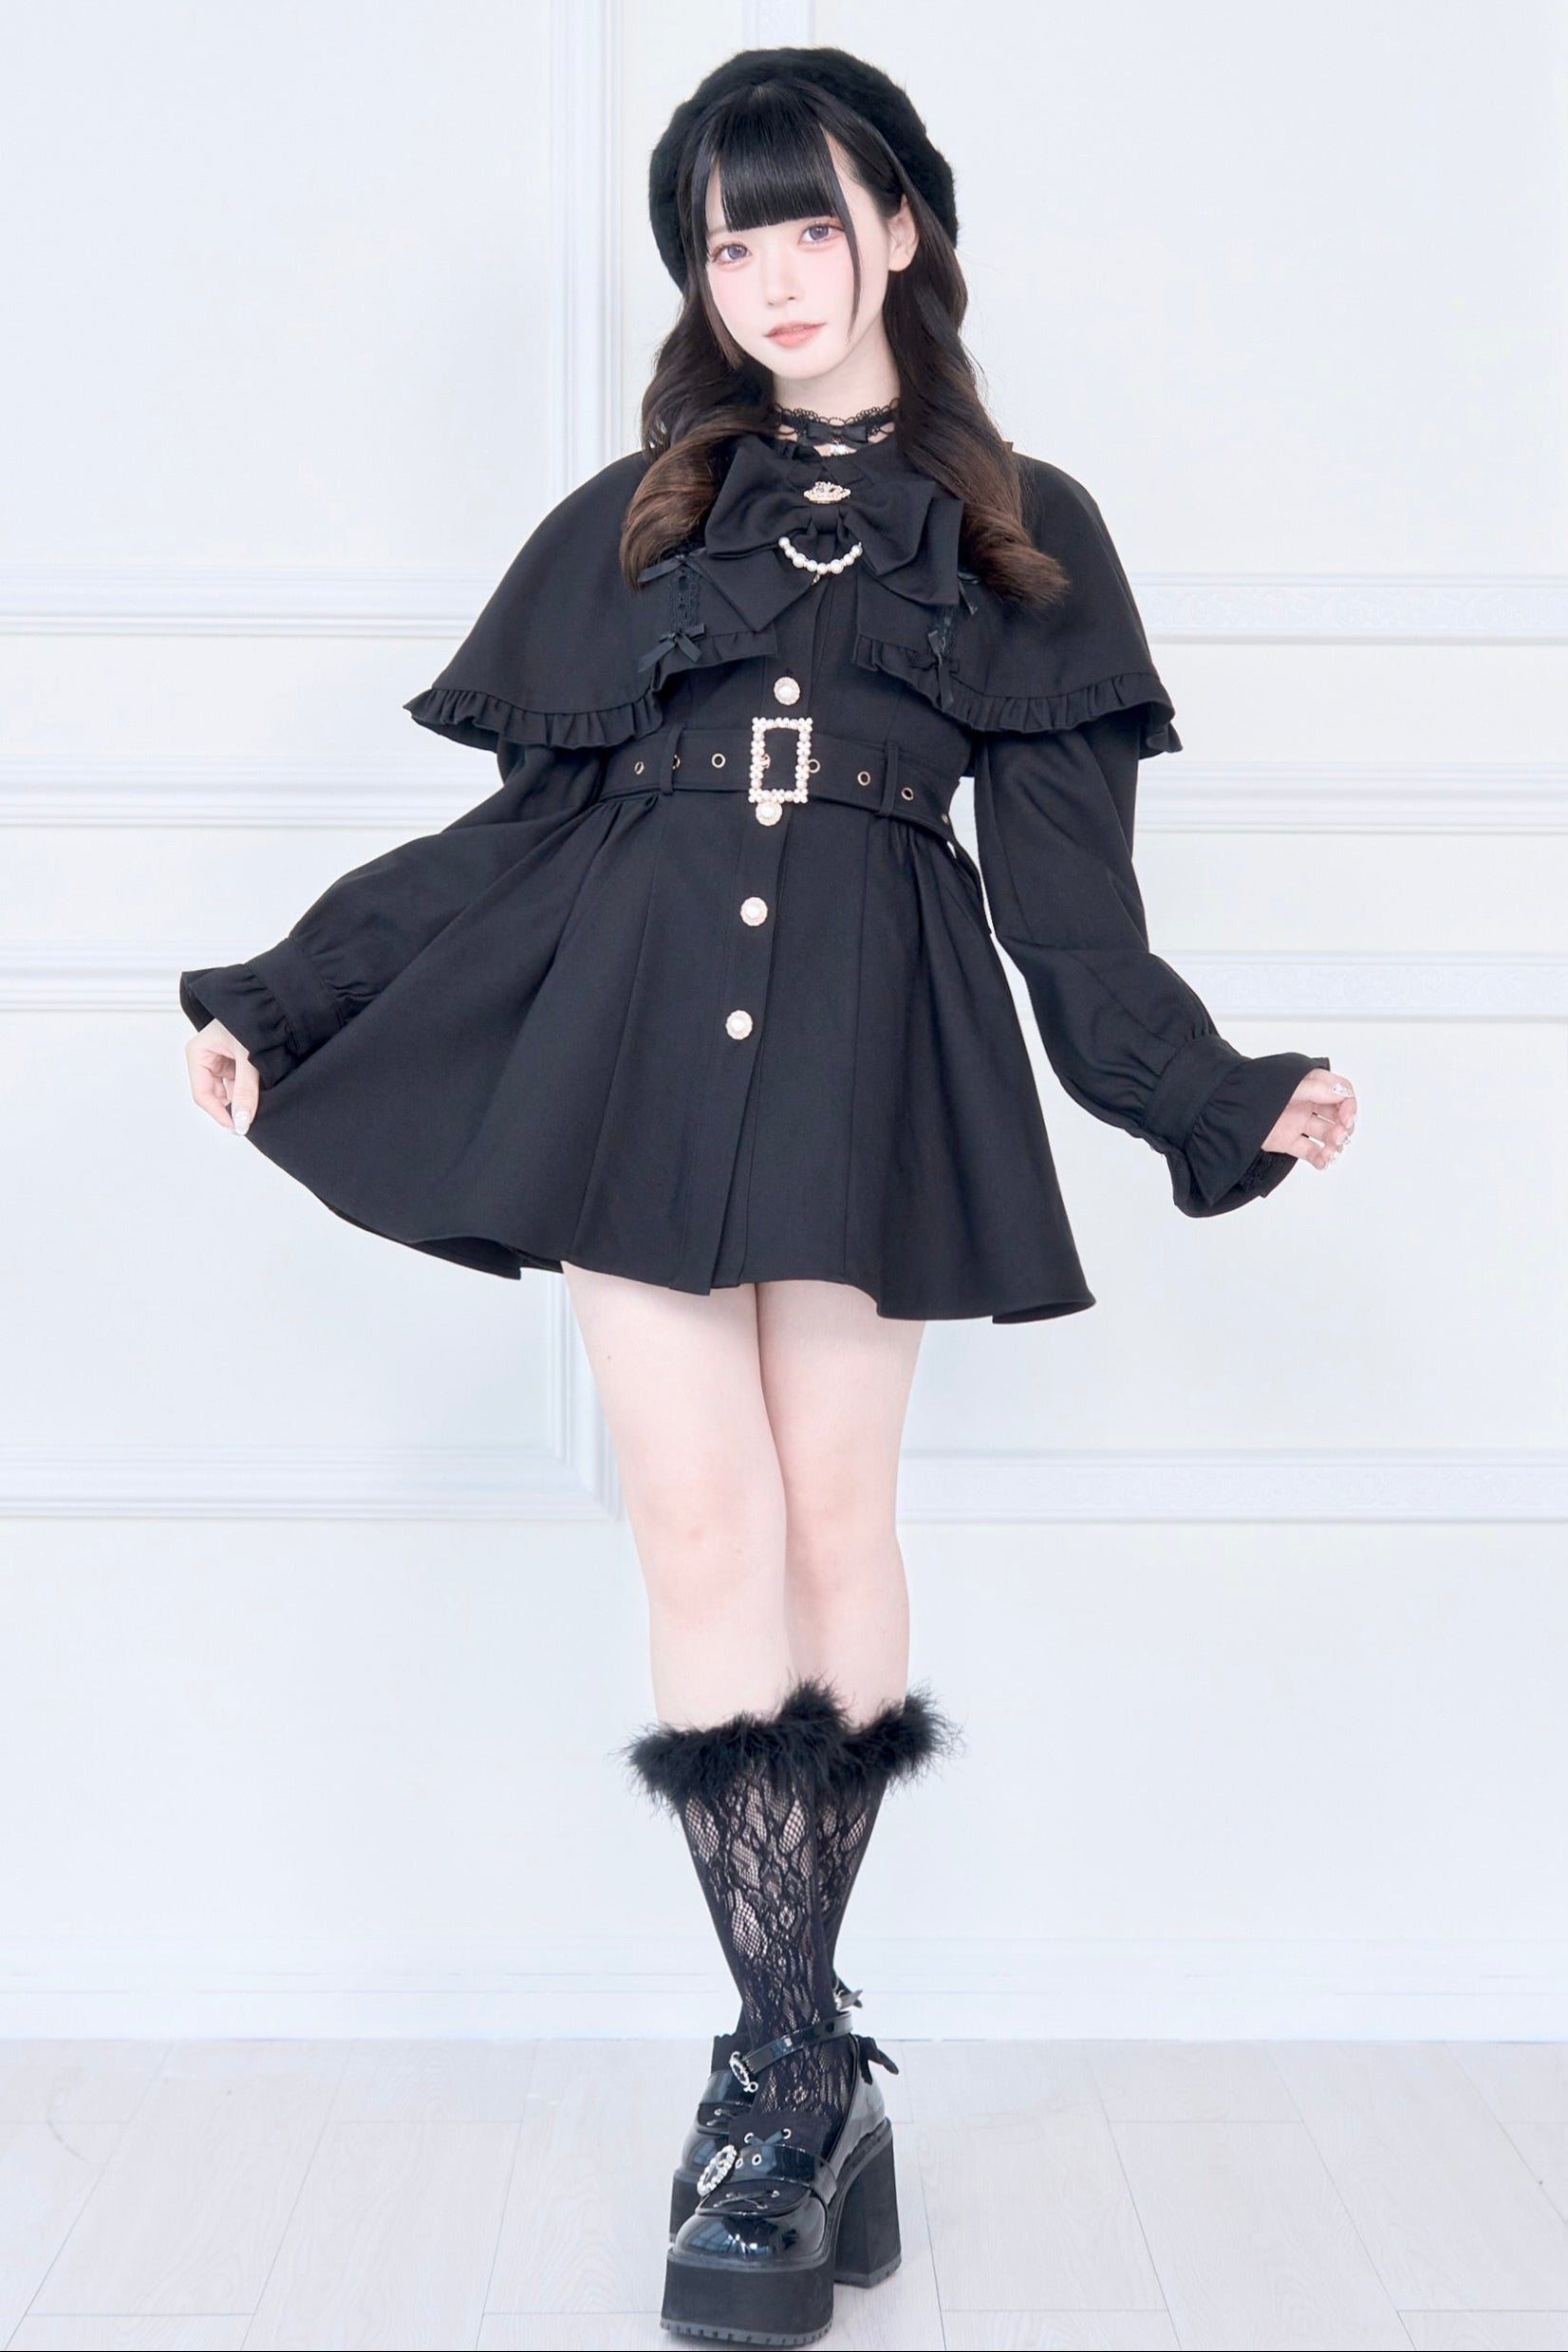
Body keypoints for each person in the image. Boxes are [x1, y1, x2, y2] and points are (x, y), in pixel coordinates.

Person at [179, 44, 1356, 2347]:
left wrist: (1209, 1093)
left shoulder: (1024, 532)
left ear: (900, 227)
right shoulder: (642, 521)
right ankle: (784, 2065)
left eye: (812, 224)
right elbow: (514, 831)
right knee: (695, 1519)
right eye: (734, 243)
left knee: (832, 1518)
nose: (778, 278)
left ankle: (797, 2086)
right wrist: (291, 1001)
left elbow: (1071, 910)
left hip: (866, 1030)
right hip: (629, 1029)